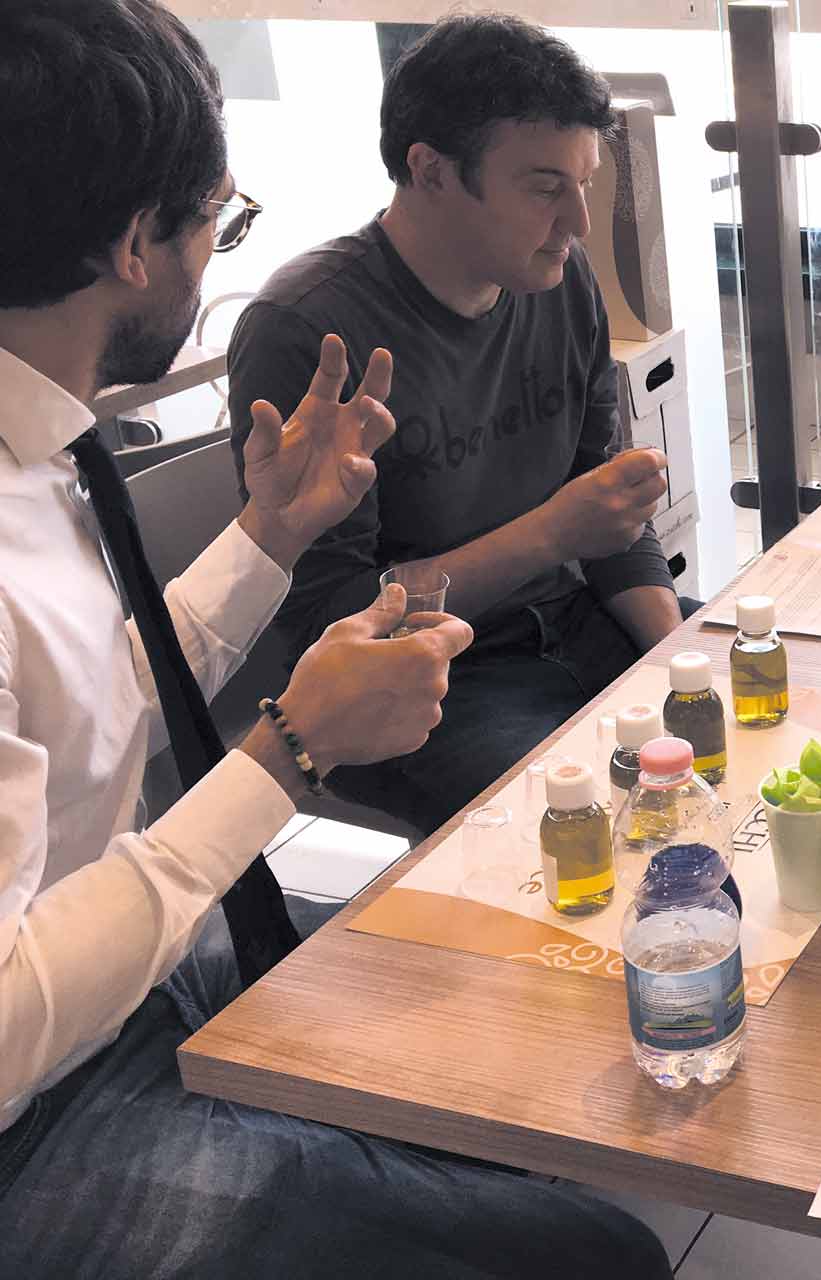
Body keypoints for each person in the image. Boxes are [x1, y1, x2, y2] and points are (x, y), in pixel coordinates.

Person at [0, 4, 673, 1275]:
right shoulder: (300, 321)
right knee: (597, 1254)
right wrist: (288, 751)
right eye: (218, 220)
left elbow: (93, 694)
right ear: (135, 242)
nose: (220, 251)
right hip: (37, 1113)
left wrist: (267, 533)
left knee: (537, 1086)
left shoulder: (42, 450)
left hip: (145, 971)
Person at [227, 12, 681, 837]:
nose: (578, 223)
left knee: (754, 719)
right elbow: (332, 619)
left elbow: (611, 517)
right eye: (545, 187)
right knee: (605, 833)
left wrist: (684, 663)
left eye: (585, 183)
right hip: (419, 686)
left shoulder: (559, 278)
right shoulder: (309, 331)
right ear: (430, 170)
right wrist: (551, 533)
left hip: (572, 623)